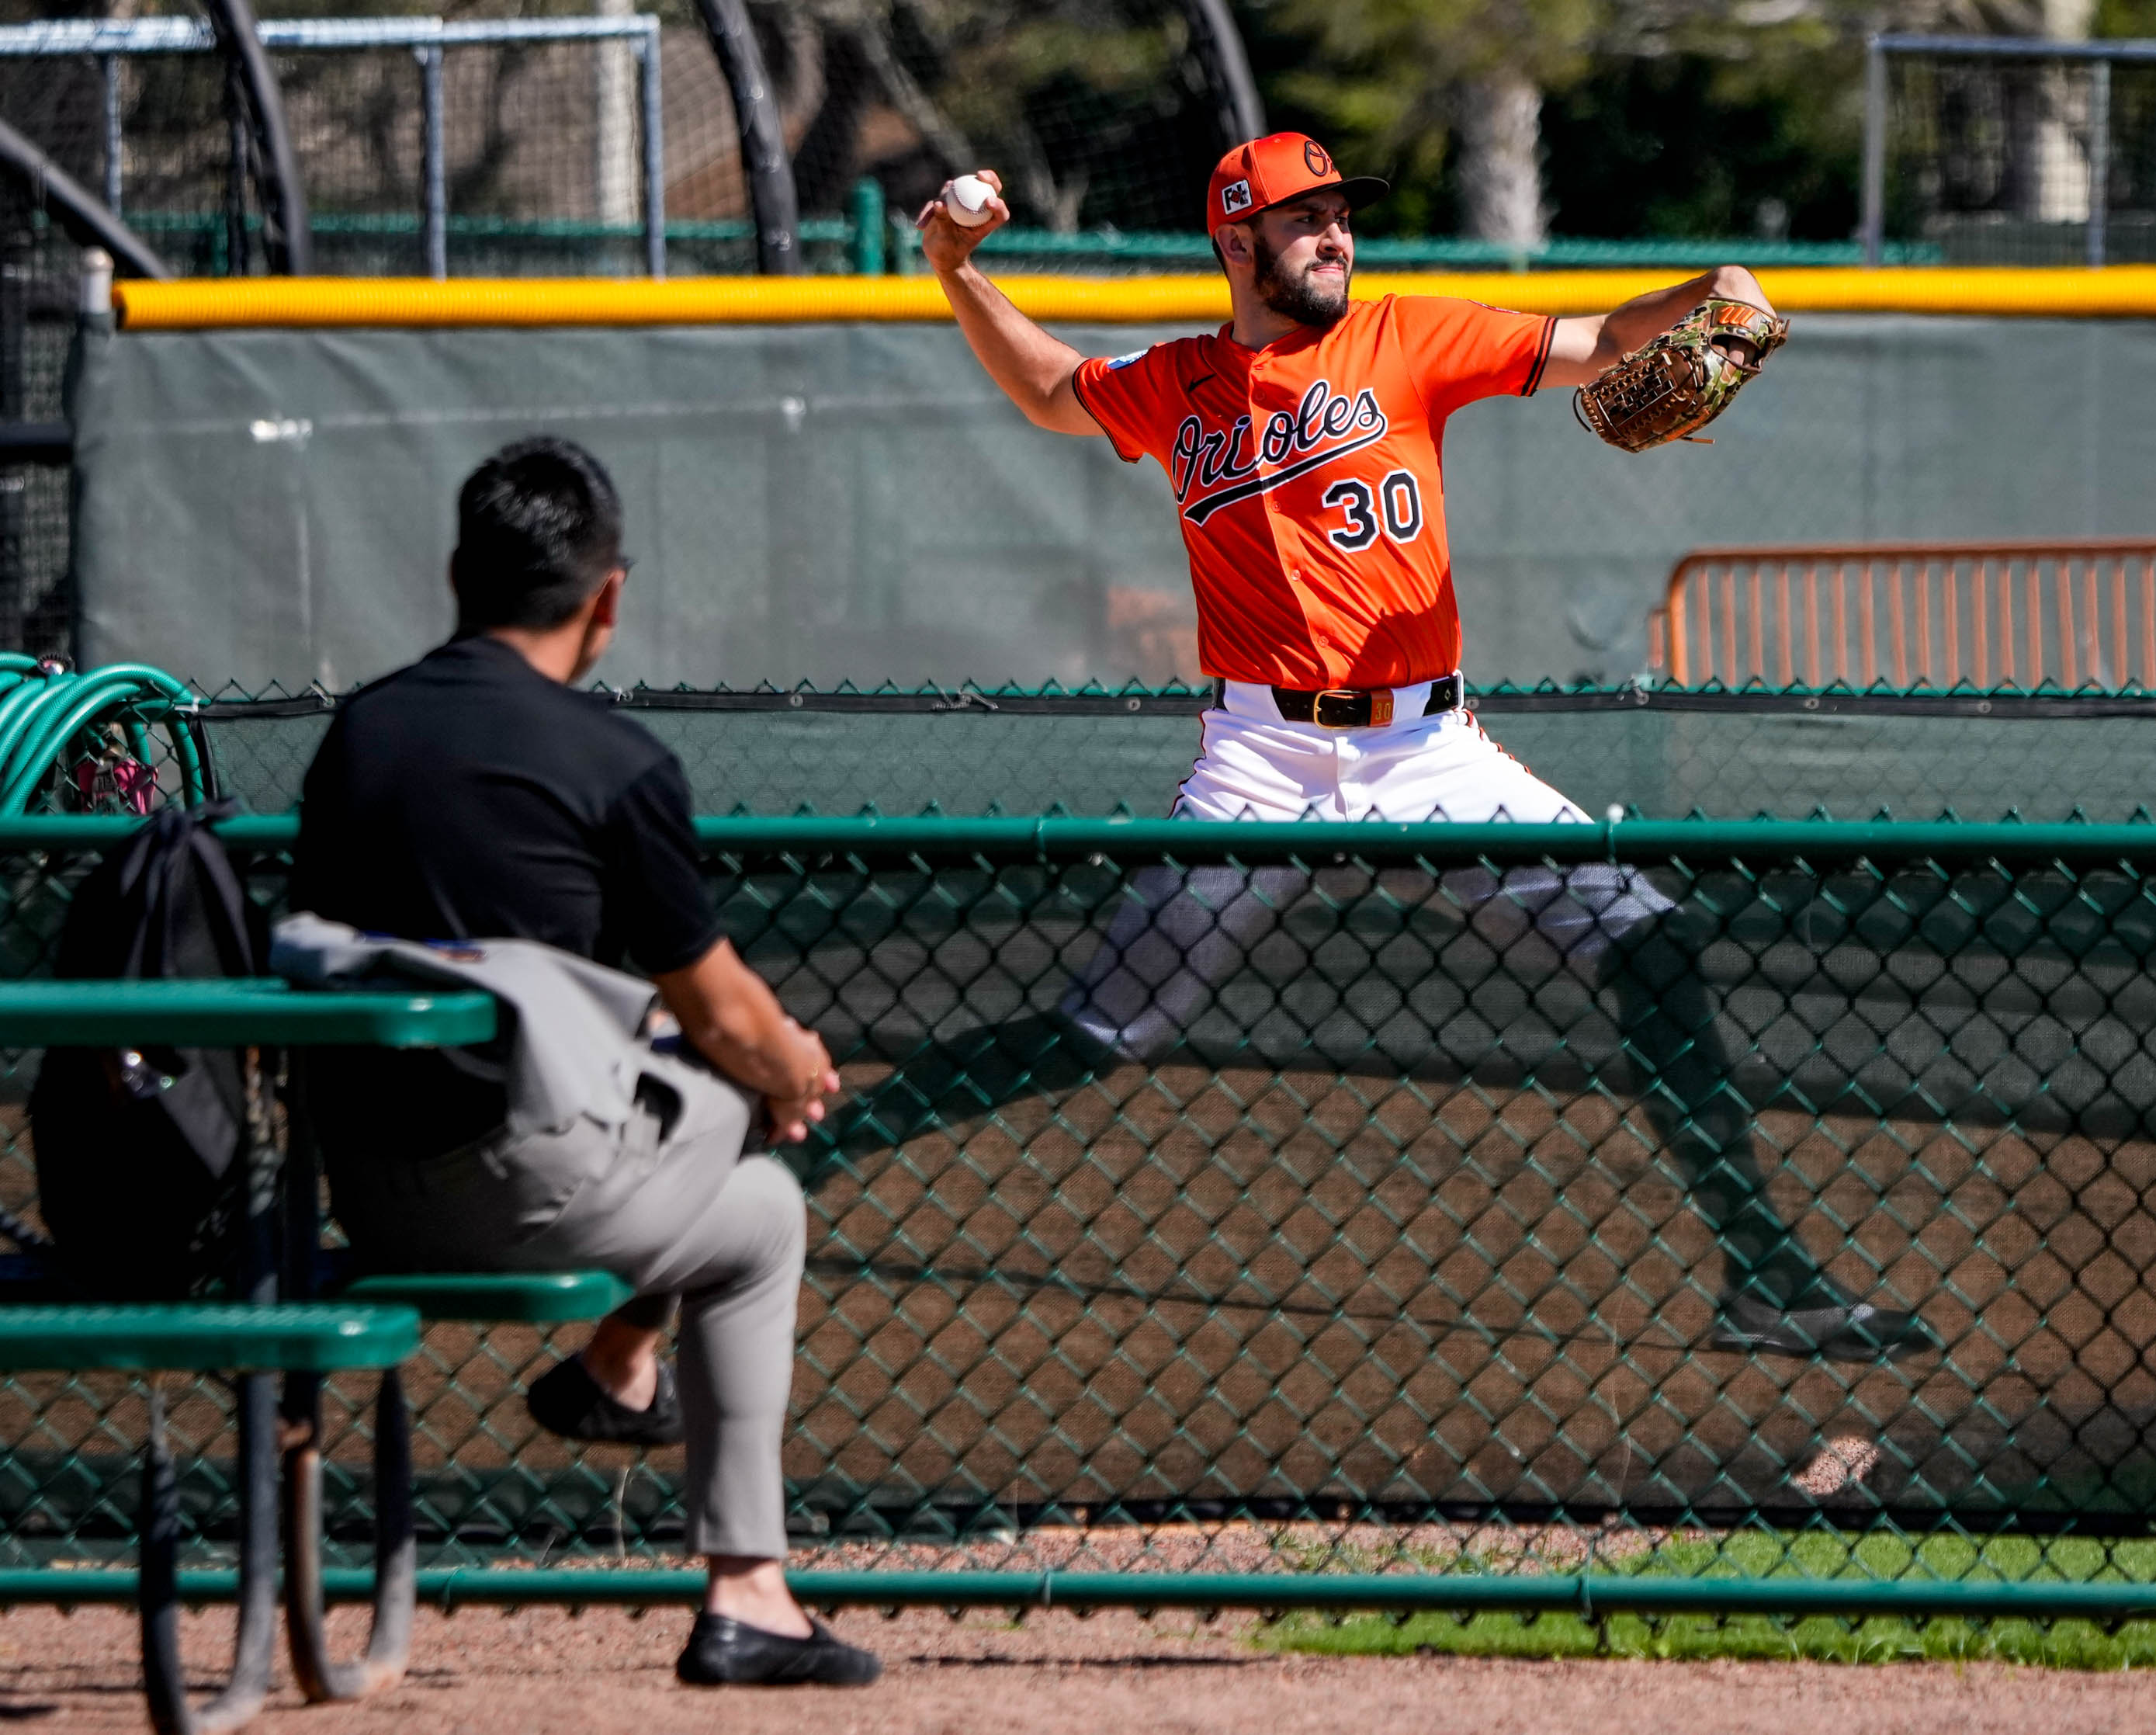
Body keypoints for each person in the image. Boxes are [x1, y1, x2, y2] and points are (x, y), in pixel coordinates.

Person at [906, 134, 1931, 1359]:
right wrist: (955, 271)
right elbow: (1047, 390)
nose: (1335, 234)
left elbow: (1598, 344)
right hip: (1257, 759)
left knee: (1649, 938)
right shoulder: (1176, 381)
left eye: (1341, 213)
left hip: (1430, 751)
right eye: (1304, 218)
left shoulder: (1411, 336)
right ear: (1235, 243)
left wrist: (1709, 290)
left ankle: (1766, 1276)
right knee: (1104, 1029)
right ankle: (811, 1151)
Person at [286, 438, 880, 1688]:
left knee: (687, 1080)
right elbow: (724, 1013)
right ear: (609, 595)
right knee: (762, 1196)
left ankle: (622, 1365)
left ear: (458, 574)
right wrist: (796, 1075)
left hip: (367, 1189)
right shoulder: (615, 763)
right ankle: (747, 1593)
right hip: (529, 1195)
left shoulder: (360, 735)